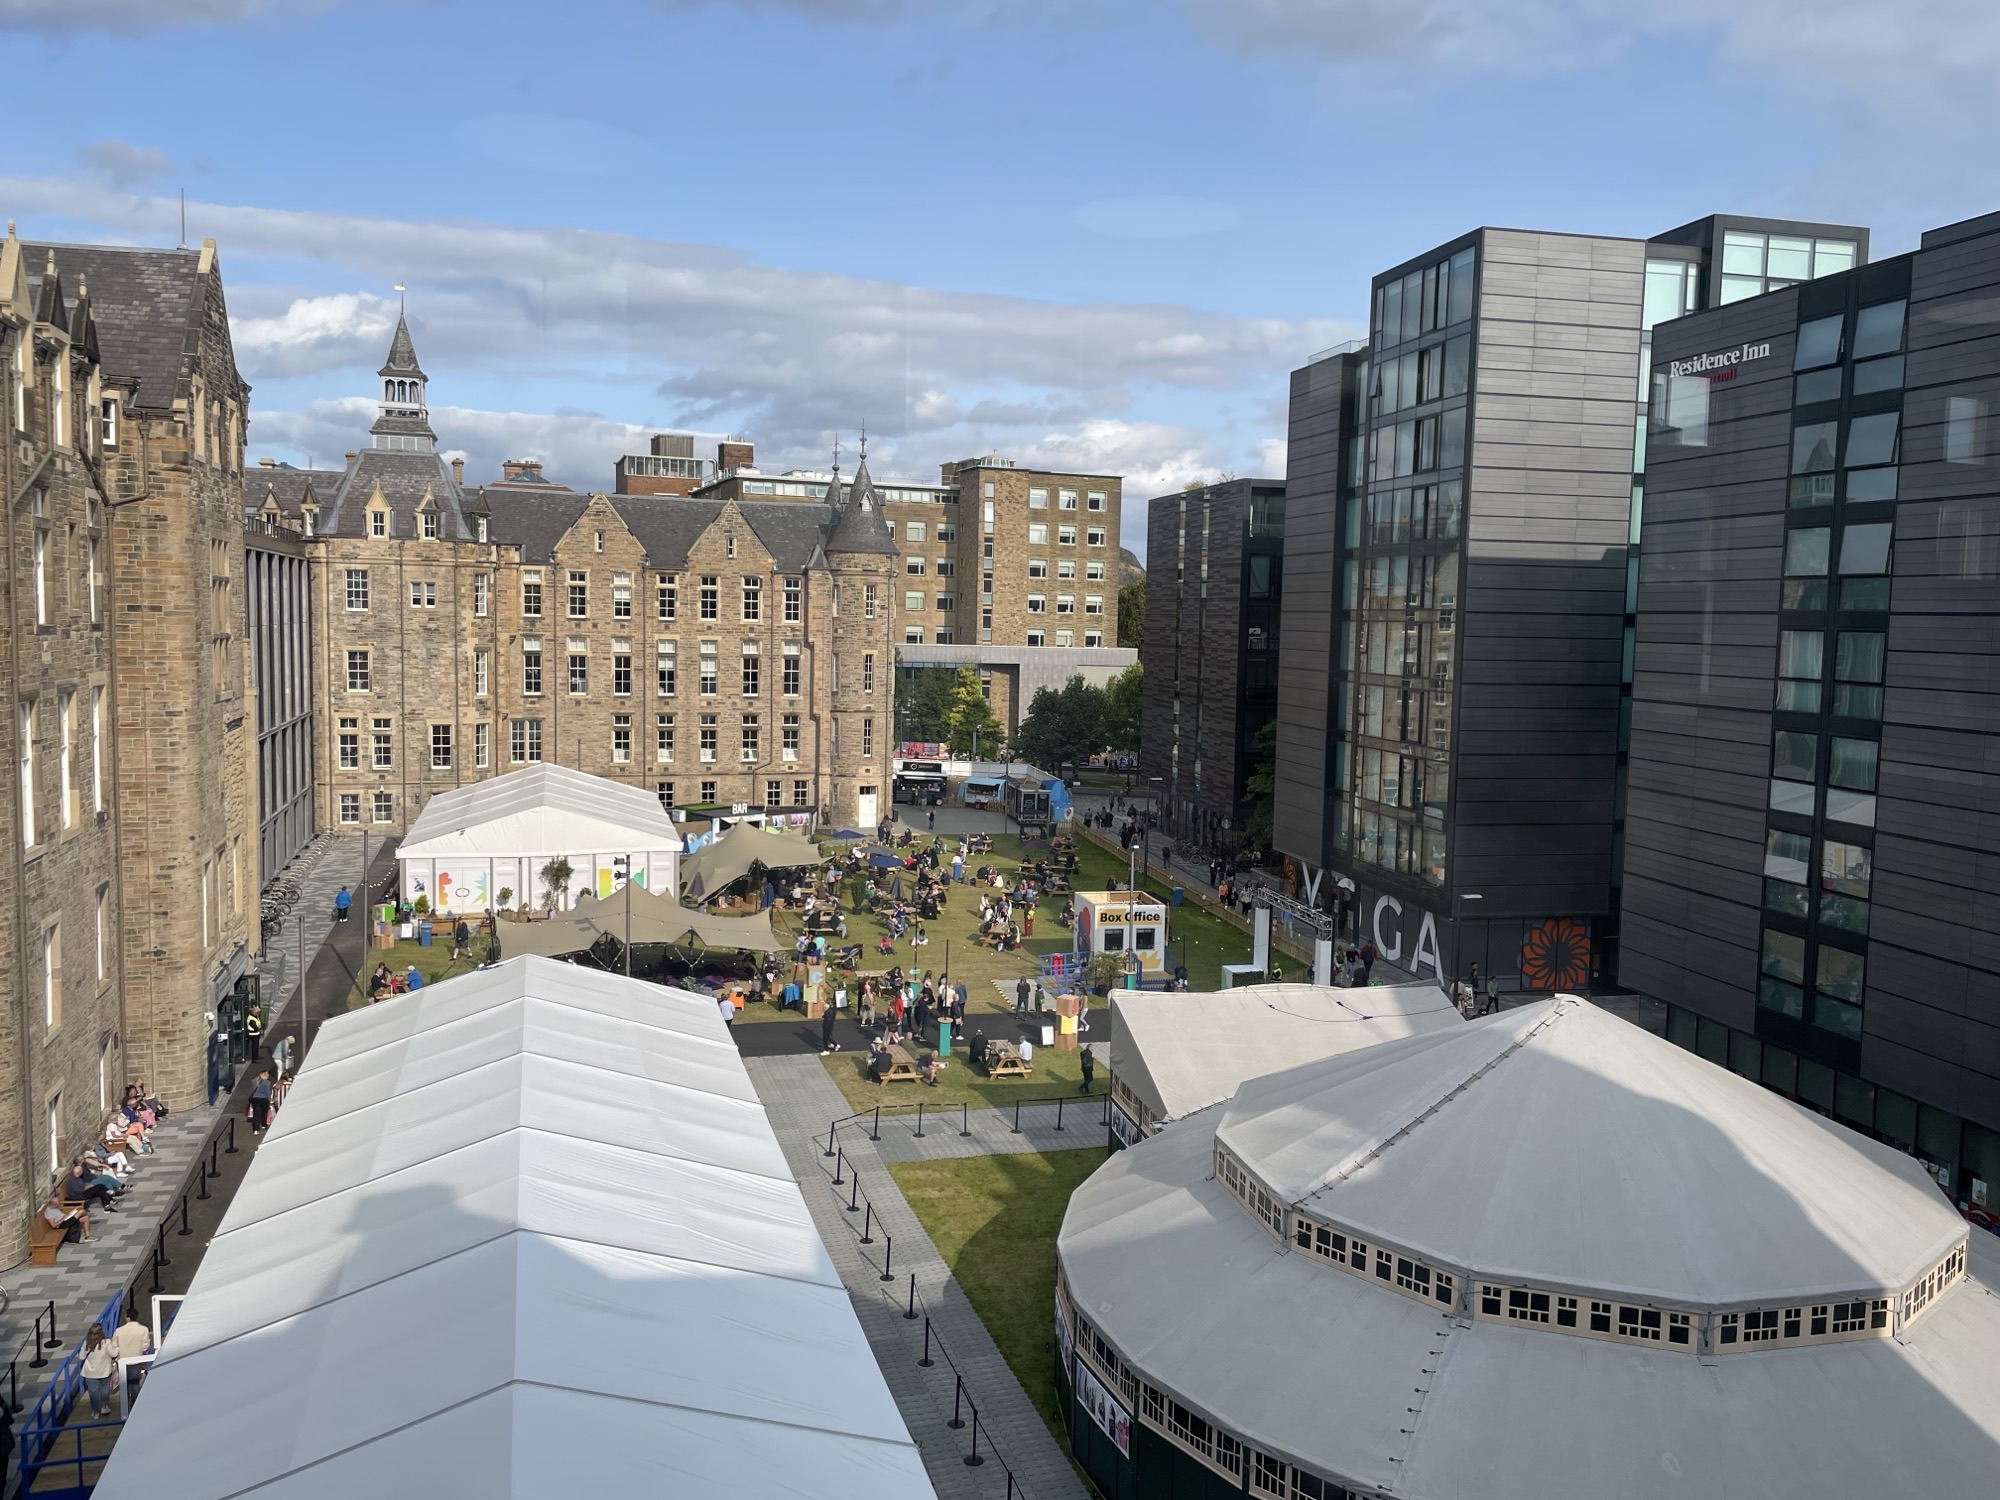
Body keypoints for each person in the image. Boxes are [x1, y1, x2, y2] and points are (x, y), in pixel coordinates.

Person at [112, 1313, 151, 1409]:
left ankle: (125, 1405)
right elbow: (145, 1345)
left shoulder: (119, 1331)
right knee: (135, 1383)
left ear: (127, 1317)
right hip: (136, 1359)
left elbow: (114, 1346)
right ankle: (135, 1405)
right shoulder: (143, 1329)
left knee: (125, 1383)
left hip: (122, 1360)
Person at [79, 1325, 117, 1420]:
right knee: (105, 1390)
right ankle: (104, 1407)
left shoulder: (86, 1344)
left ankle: (95, 1411)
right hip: (104, 1371)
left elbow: (81, 1357)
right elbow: (114, 1354)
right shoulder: (106, 1343)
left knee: (93, 1393)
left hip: (90, 1373)